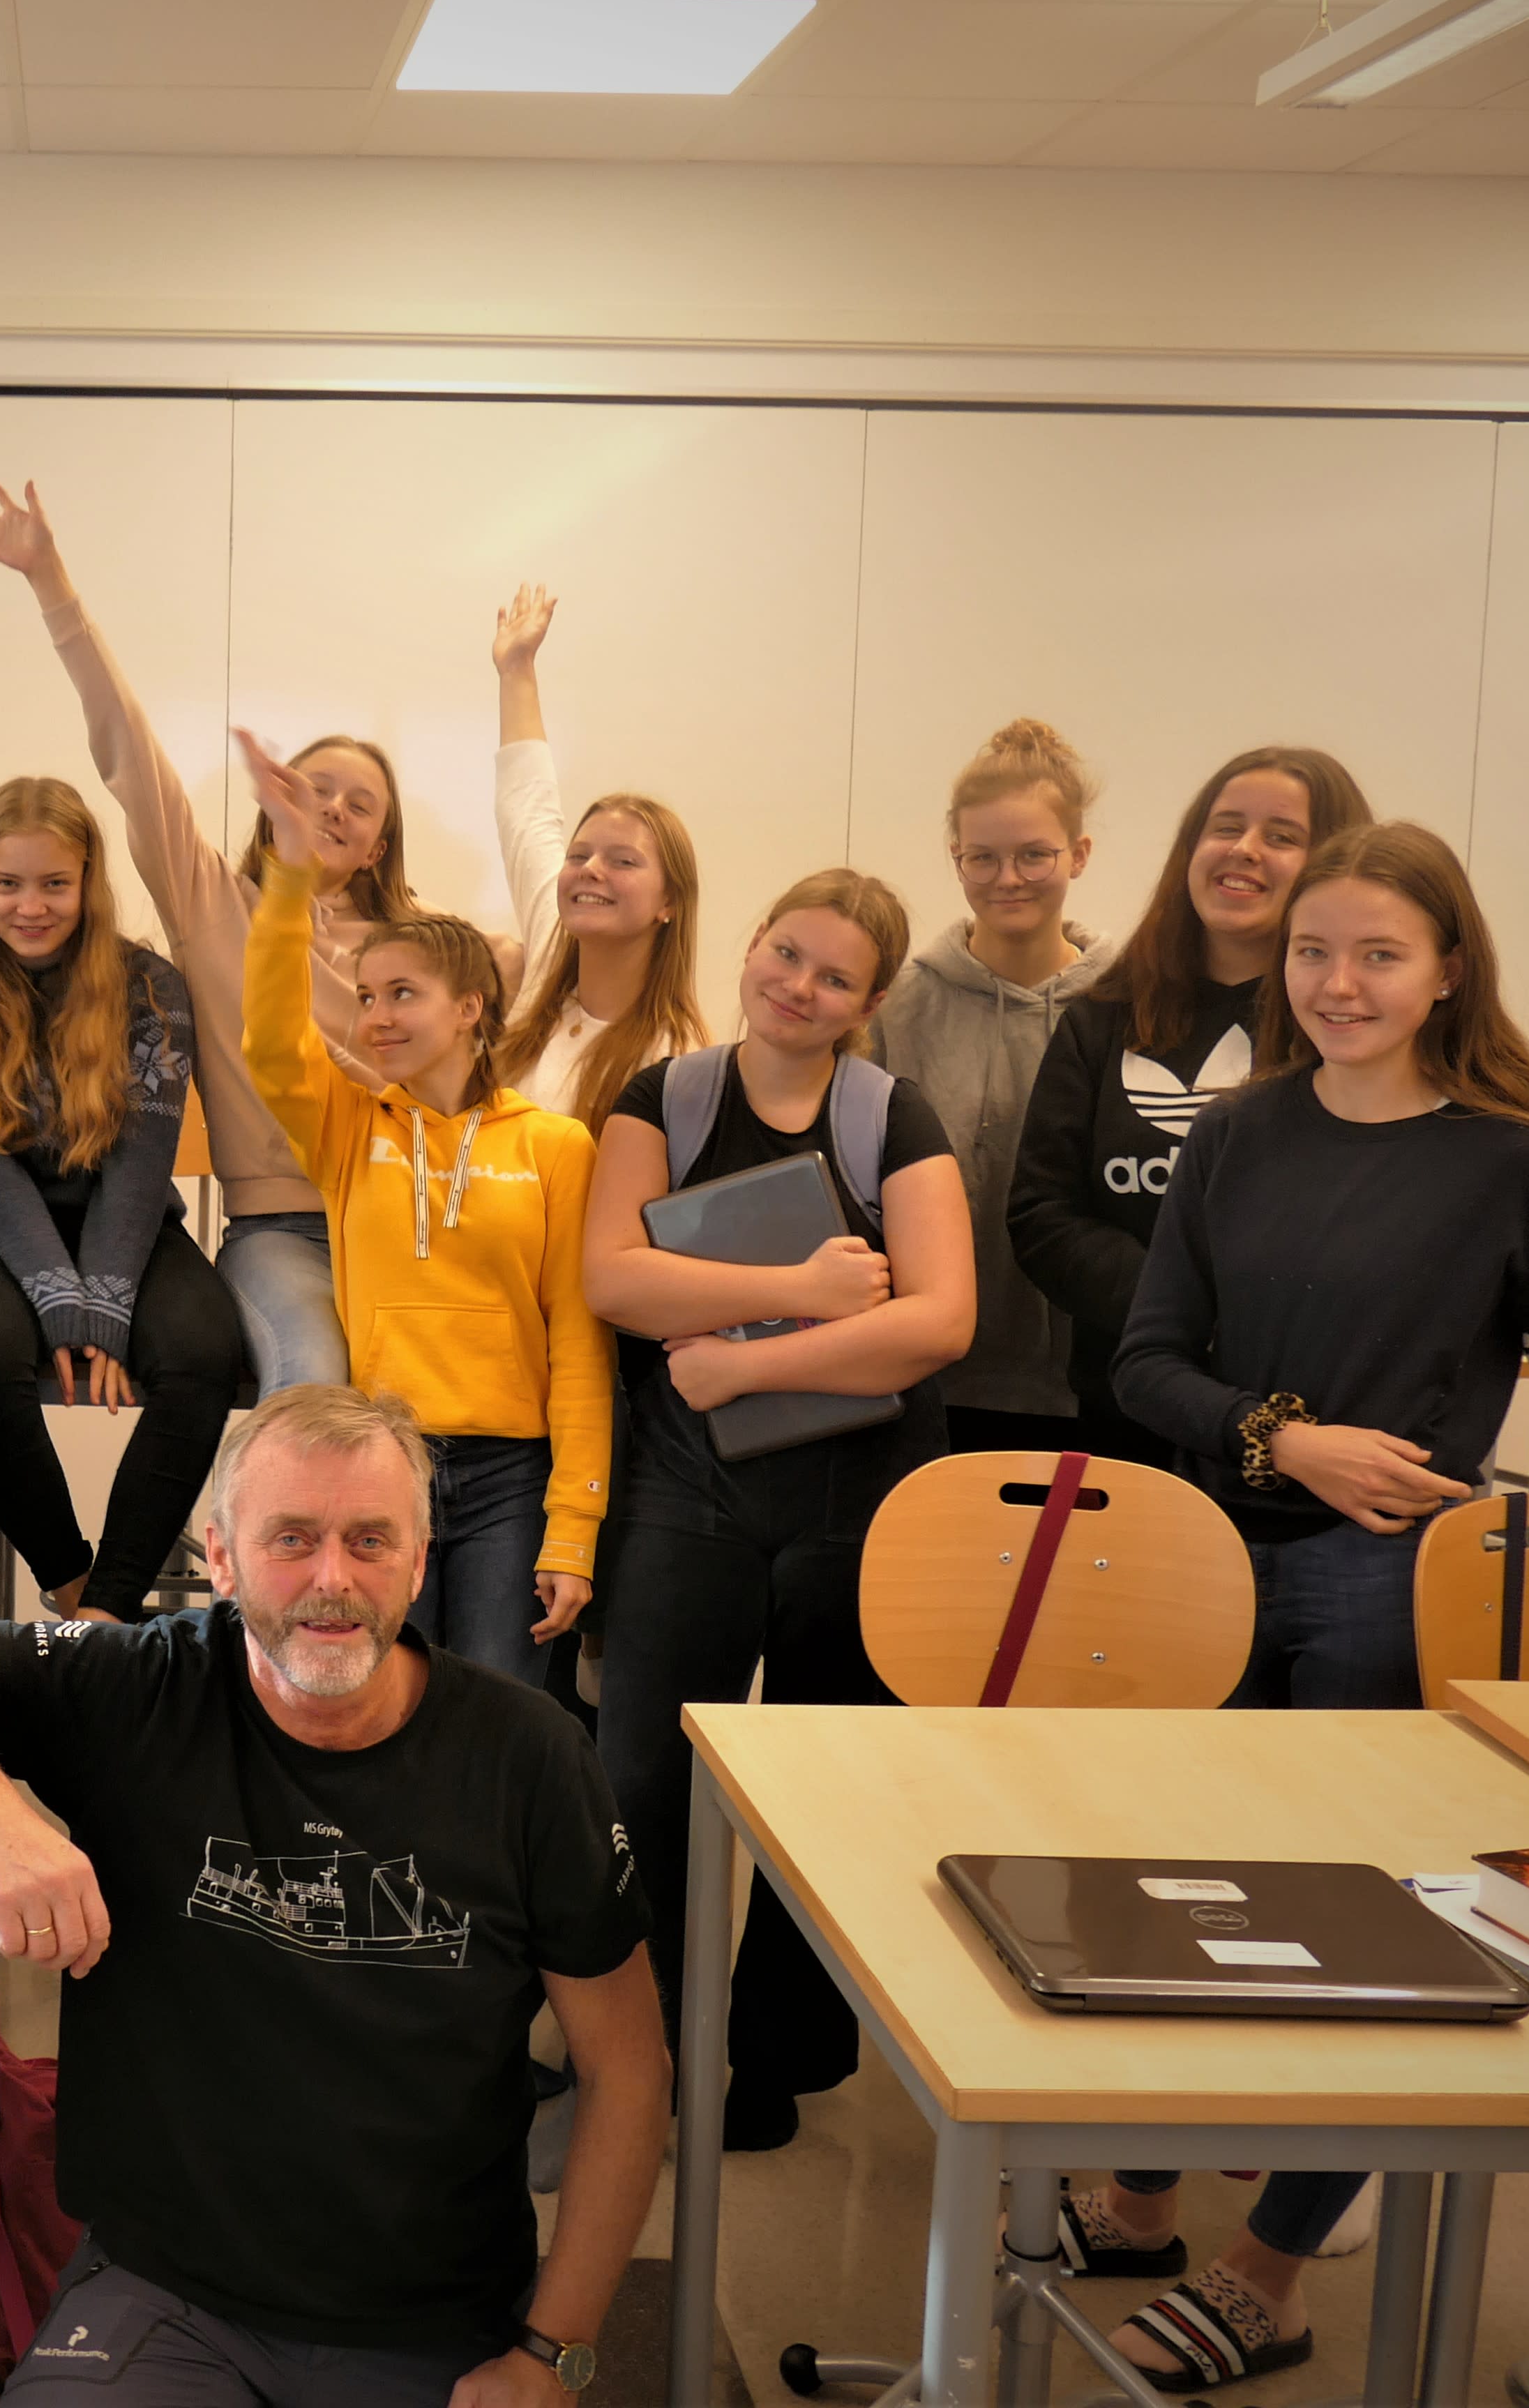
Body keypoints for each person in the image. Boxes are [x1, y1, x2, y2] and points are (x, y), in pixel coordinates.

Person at [1089, 819, 1529, 2389]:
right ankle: (1140, 2193)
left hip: (1391, 1587)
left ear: (1448, 968)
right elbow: (1145, 1363)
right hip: (1207, 1569)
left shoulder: (1515, 1168)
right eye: (1314, 952)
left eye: (1379, 954)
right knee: (1176, 1899)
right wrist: (1286, 1439)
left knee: (1362, 1934)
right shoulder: (1236, 1134)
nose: (1339, 983)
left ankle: (1270, 2273)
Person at [0, 1385, 670, 2405]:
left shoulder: (531, 1758)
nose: (333, 1580)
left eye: (371, 1541)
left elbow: (629, 2072)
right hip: (164, 2293)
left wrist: (554, 2355)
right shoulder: (141, 1688)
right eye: (293, 1539)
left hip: (434, 2319)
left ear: (420, 1562)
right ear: (222, 1559)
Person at [578, 870, 974, 2151]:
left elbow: (938, 1322)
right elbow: (613, 1277)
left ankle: (776, 2057)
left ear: (869, 1001)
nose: (798, 986)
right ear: (751, 943)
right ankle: (641, 2055)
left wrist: (742, 1362)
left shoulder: (891, 1116)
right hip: (685, 1490)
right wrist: (806, 1289)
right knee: (644, 1776)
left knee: (827, 1788)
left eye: (834, 976)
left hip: (858, 1500)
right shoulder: (665, 1098)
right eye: (786, 952)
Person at [0, 475, 424, 1395]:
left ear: (380, 843)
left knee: (438, 1399)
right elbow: (129, 754)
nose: (333, 808)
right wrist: (52, 584)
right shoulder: (217, 907)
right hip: (280, 1232)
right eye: (314, 788)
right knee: (313, 1384)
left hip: (404, 1229)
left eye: (360, 803)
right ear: (273, 802)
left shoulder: (416, 956)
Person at [237, 727, 607, 1683]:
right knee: (376, 1700)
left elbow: (578, 1344)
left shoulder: (555, 1145)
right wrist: (289, 873)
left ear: (471, 1007)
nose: (377, 1019)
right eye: (367, 997)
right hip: (382, 1472)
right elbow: (271, 1038)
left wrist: (573, 1526)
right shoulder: (348, 1128)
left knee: (491, 1709)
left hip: (511, 1480)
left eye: (403, 993)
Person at [0, 775, 246, 1621]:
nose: (32, 907)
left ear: (89, 880)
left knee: (206, 1353)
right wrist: (64, 1300)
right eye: (8, 884)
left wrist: (106, 1297)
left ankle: (111, 1613)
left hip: (126, 1225)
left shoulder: (151, 987)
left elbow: (141, 1163)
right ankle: (70, 1581)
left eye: (55, 883)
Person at [1006, 747, 1370, 1468]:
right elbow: (1042, 1214)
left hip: (1312, 1425)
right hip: (1130, 1415)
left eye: (1283, 836)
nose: (1245, 849)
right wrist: (1179, 1312)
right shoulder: (1103, 1015)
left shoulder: (1347, 1027)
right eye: (1226, 826)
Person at [872, 718, 1115, 1454]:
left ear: (1079, 854)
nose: (1008, 879)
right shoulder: (898, 1008)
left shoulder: (1130, 1004)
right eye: (982, 857)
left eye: (1034, 855)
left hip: (1091, 1386)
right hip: (925, 1378)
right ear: (957, 858)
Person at [488, 582, 707, 1123]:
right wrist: (517, 670)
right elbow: (527, 811)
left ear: (669, 903)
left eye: (623, 861)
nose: (590, 870)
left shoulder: (679, 1058)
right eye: (578, 855)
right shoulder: (551, 954)